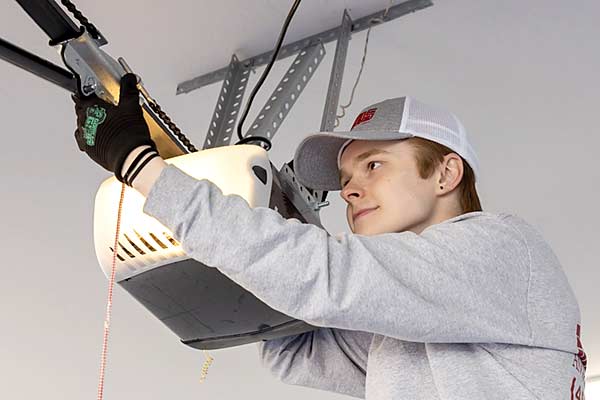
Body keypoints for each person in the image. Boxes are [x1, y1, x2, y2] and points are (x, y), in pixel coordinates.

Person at [73, 74, 587, 399]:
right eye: (344, 180)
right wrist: (272, 223)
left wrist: (139, 166)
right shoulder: (411, 327)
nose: (350, 191)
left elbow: (328, 280)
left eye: (374, 165)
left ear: (445, 174)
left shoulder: (504, 249)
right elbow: (290, 346)